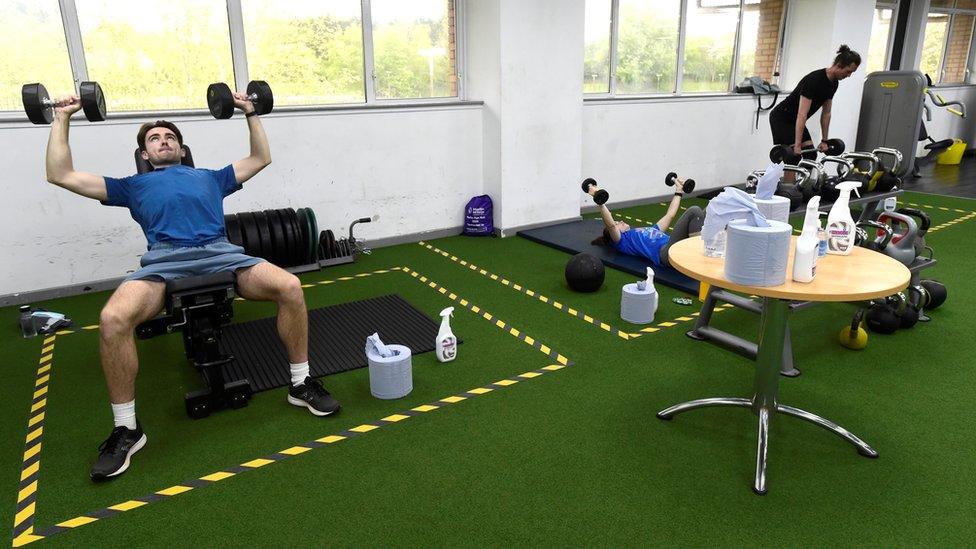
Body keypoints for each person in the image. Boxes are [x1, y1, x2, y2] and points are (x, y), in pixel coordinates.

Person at [44, 92, 339, 482]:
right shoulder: (131, 186)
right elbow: (60, 175)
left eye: (170, 137)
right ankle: (127, 429)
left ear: (182, 150)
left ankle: (300, 384)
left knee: (289, 286)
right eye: (154, 138)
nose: (163, 140)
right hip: (163, 262)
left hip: (223, 254)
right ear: (145, 155)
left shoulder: (211, 177)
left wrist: (250, 111)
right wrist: (61, 117)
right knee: (113, 318)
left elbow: (260, 158)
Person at [769, 44, 861, 163]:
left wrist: (825, 141)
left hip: (794, 120)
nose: (848, 76)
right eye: (848, 71)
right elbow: (802, 114)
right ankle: (789, 182)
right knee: (793, 157)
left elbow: (826, 113)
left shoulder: (833, 84)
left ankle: (803, 182)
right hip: (782, 118)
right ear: (839, 65)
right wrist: (797, 144)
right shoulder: (814, 80)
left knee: (811, 155)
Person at [588, 179, 704, 268]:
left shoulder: (649, 229)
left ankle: (700, 252)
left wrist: (678, 191)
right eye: (618, 223)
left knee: (706, 211)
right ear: (615, 233)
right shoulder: (622, 241)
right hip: (665, 254)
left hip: (675, 247)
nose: (621, 221)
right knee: (694, 211)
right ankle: (699, 257)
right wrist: (600, 201)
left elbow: (670, 215)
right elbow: (610, 225)